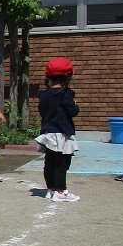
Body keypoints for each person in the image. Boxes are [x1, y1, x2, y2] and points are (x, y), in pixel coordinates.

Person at [35, 57, 81, 201]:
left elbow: (43, 111)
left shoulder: (44, 95)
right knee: (62, 164)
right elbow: (72, 111)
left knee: (49, 162)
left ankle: (52, 188)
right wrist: (75, 105)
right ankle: (60, 191)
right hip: (62, 133)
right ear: (67, 77)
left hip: (48, 133)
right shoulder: (66, 94)